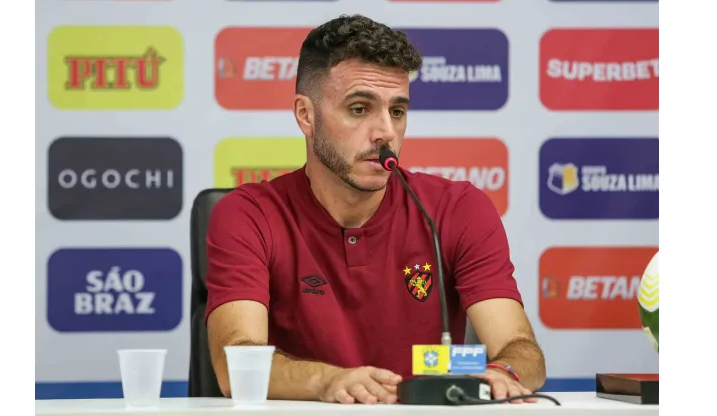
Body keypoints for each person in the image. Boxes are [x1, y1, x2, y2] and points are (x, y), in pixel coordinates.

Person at [205, 14, 546, 405]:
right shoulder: (249, 215)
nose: (385, 131)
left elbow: (524, 352)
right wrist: (327, 382)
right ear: (306, 115)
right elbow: (235, 367)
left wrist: (504, 373)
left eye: (397, 111)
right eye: (359, 109)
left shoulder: (457, 209)